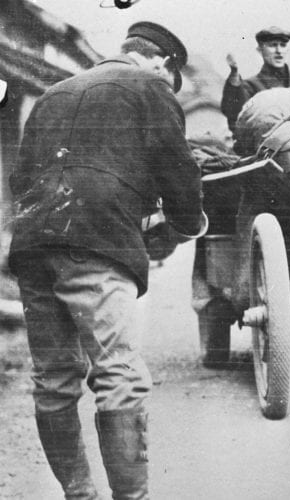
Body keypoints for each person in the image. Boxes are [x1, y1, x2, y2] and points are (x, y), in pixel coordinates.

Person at [8, 22, 206, 498]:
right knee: (119, 375)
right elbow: (179, 171)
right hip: (96, 241)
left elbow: (19, 178)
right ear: (162, 63)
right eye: (170, 75)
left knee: (54, 381)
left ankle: (79, 494)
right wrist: (183, 224)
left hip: (33, 245)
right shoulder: (150, 86)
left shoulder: (52, 93)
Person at [221, 26, 290, 133]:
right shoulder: (250, 86)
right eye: (273, 45)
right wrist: (234, 74)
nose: (279, 51)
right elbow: (238, 120)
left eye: (283, 45)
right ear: (260, 50)